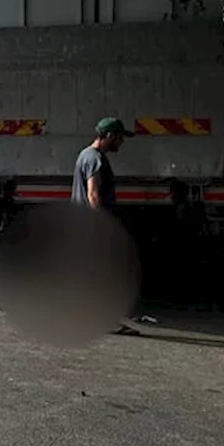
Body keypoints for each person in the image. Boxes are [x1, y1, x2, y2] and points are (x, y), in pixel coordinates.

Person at [72, 116, 141, 335]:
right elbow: (93, 193)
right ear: (109, 136)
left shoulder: (85, 154)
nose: (121, 142)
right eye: (120, 138)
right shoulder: (95, 158)